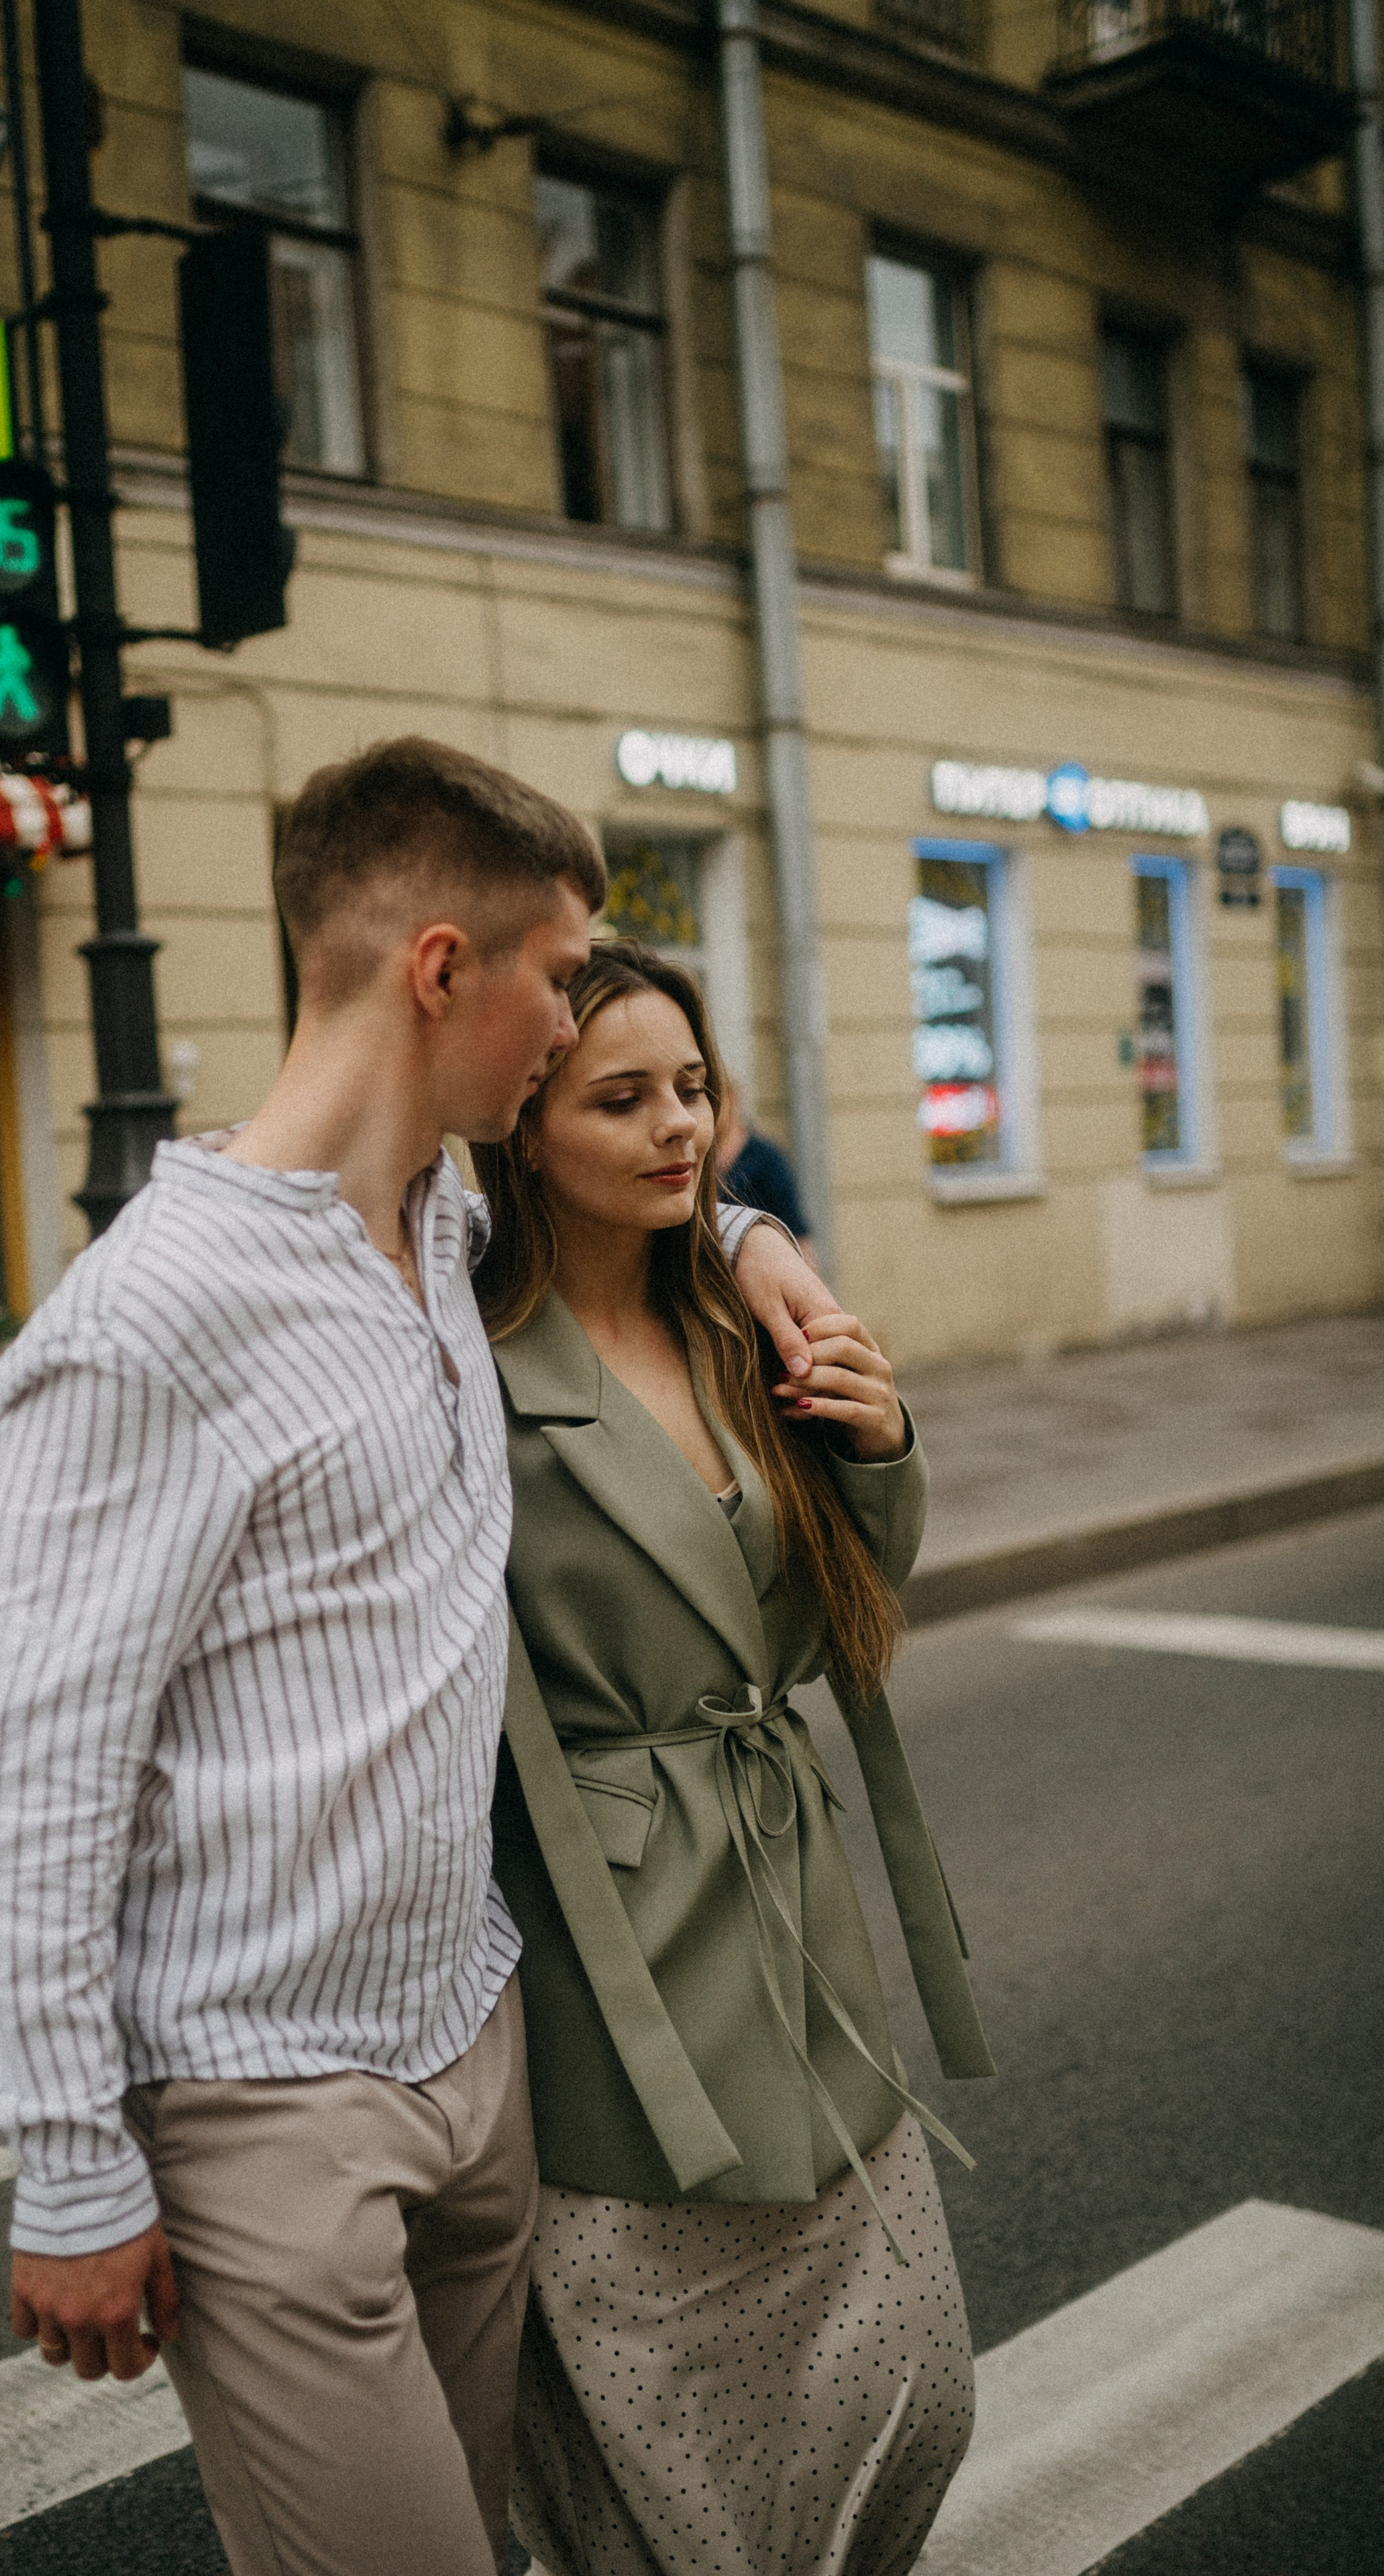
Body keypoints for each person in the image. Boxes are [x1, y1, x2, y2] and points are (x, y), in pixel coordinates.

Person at [0, 739, 843, 2576]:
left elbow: (631, 1197)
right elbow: (34, 1774)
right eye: (559, 973)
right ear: (446, 969)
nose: (572, 1017)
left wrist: (747, 1238)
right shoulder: (155, 1319)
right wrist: (69, 2163)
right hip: (271, 2106)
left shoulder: (433, 1216)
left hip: (471, 2043)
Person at [472, 938, 995, 2576]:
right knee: (667, 2453)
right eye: (617, 1096)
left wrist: (876, 1436)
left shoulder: (732, 1321)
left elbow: (850, 1578)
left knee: (913, 2385)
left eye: (690, 1087)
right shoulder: (468, 1364)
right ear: (521, 1122)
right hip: (612, 1930)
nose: (674, 1126)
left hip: (787, 1892)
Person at [716, 1077, 814, 1257]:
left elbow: (796, 1233)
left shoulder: (766, 1159)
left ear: (730, 1099)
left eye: (711, 1098)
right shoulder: (698, 1161)